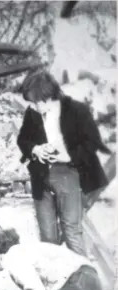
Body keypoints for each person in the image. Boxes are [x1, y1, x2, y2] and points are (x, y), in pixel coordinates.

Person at [17, 69, 111, 256]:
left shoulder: (77, 111)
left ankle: (83, 279)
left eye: (35, 103)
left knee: (72, 231)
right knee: (48, 237)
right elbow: (23, 139)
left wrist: (68, 156)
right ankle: (55, 280)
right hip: (41, 175)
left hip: (71, 172)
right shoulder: (32, 112)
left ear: (47, 97)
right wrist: (36, 149)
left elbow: (92, 142)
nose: (32, 107)